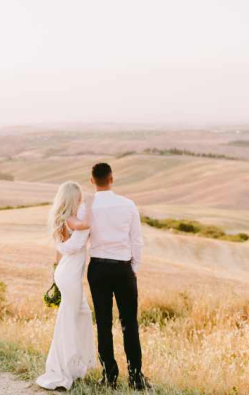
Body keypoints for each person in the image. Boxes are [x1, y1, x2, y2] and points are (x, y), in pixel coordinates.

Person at [86, 162, 150, 390]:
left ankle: (109, 376)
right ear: (111, 178)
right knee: (129, 323)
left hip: (98, 268)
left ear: (92, 180)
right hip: (123, 268)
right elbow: (136, 240)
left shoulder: (88, 207)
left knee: (103, 323)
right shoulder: (128, 205)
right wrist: (134, 268)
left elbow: (81, 238)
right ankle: (135, 377)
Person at [35, 182, 97, 390]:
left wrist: (54, 272)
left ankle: (72, 364)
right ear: (72, 199)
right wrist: (89, 204)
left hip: (65, 271)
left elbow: (58, 251)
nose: (80, 201)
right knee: (68, 320)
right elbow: (87, 225)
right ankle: (61, 369)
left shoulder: (63, 219)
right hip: (69, 275)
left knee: (81, 315)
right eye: (78, 199)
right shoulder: (72, 220)